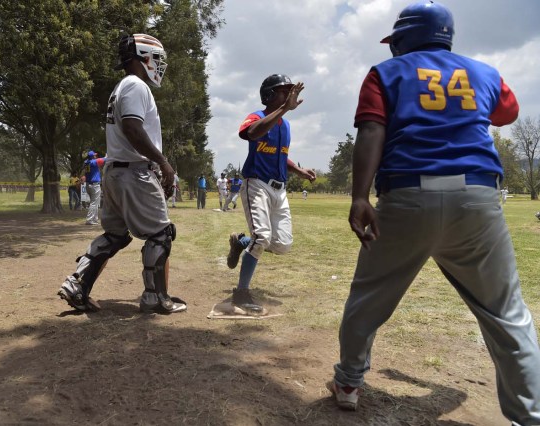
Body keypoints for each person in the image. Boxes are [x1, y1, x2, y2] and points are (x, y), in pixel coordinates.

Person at [330, 3, 540, 423]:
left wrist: (359, 197)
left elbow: (373, 129)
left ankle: (350, 381)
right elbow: (507, 113)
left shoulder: (385, 73)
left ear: (406, 37)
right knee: (507, 314)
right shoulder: (484, 72)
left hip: (408, 197)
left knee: (368, 299)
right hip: (477, 200)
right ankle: (530, 417)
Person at [58, 33, 186, 314]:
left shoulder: (121, 87)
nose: (159, 65)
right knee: (161, 234)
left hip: (115, 173)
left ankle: (77, 285)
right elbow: (132, 128)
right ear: (144, 57)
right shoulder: (136, 86)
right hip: (134, 172)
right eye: (157, 59)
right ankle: (155, 297)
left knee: (115, 235)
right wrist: (163, 162)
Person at [225, 74, 316, 313]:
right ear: (268, 95)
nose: (288, 95)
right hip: (257, 185)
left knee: (282, 244)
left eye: (289, 91)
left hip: (280, 189)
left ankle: (241, 242)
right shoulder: (258, 116)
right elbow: (252, 133)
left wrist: (299, 171)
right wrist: (285, 109)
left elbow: (281, 155)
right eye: (282, 91)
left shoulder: (285, 125)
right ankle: (242, 292)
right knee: (263, 236)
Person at [83, 151, 105, 225]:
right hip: (94, 185)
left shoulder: (86, 162)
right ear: (92, 156)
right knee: (93, 203)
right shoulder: (94, 162)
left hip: (89, 185)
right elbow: (106, 159)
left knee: (95, 203)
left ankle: (94, 219)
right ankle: (89, 219)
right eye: (95, 155)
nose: (96, 156)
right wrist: (107, 155)